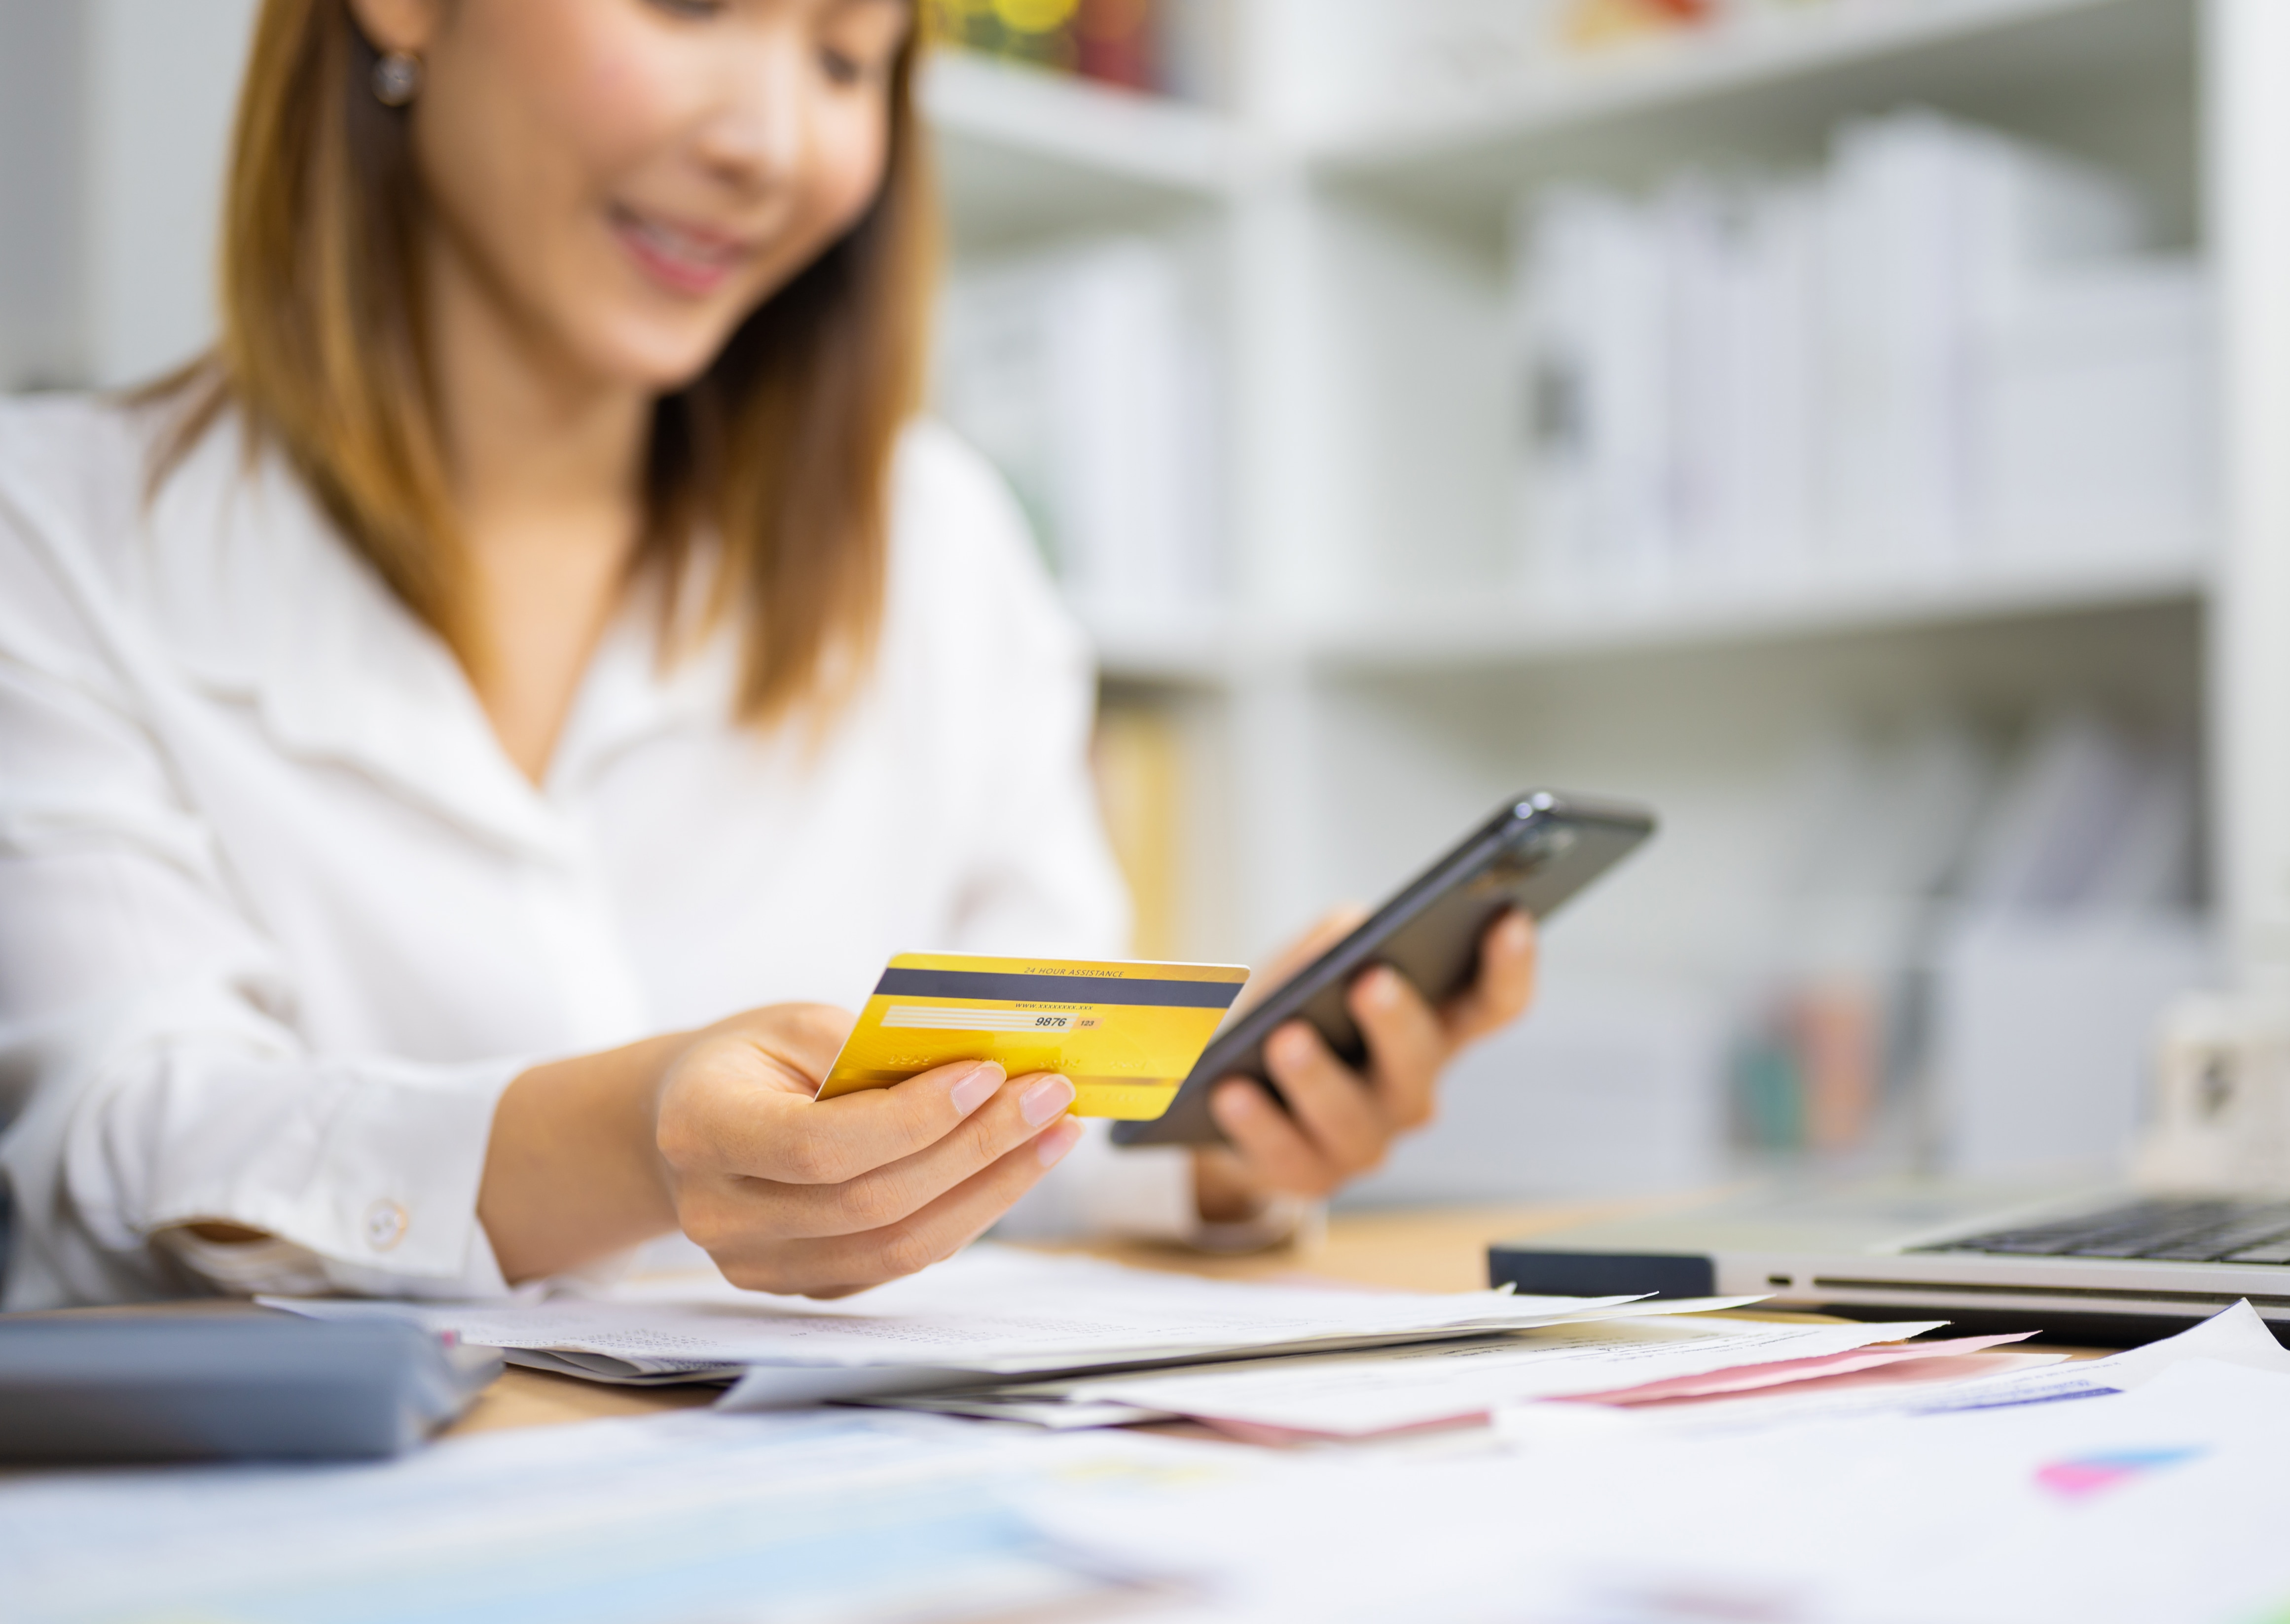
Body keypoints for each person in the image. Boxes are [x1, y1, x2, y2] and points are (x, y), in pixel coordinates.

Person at [0, 0, 1535, 1310]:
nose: (773, 145)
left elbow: (1030, 1147)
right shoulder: (53, 532)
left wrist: (1212, 1136)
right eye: (691, 3)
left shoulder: (935, 543)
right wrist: (635, 1139)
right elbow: (126, 1158)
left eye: (848, 59)